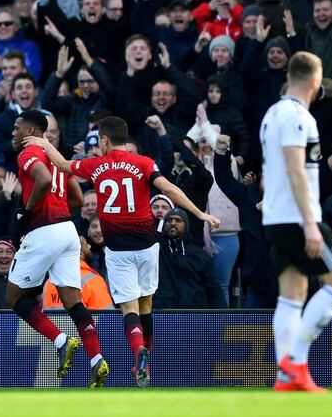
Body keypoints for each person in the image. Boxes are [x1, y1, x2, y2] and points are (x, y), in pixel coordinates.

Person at [25, 115, 220, 388]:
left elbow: (62, 164)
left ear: (104, 140)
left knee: (129, 309)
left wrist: (42, 141)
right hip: (148, 245)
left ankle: (138, 348)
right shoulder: (144, 163)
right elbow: (168, 188)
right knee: (146, 306)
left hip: (117, 249)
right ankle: (145, 363)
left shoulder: (95, 165)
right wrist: (200, 213)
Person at [259, 51, 332, 392]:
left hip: (275, 217)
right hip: (298, 217)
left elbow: (274, 172)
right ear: (316, 81)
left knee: (293, 294)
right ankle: (295, 362)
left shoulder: (272, 114)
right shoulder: (300, 117)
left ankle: (286, 379)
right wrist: (312, 223)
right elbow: (297, 170)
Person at [7, 110, 108, 388]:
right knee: (73, 301)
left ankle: (62, 340)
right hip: (68, 232)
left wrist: (27, 212)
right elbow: (76, 197)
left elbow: (43, 180)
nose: (13, 133)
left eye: (17, 128)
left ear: (30, 132)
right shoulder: (55, 155)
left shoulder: (28, 154)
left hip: (44, 231)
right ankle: (97, 359)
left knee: (15, 298)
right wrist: (56, 205)